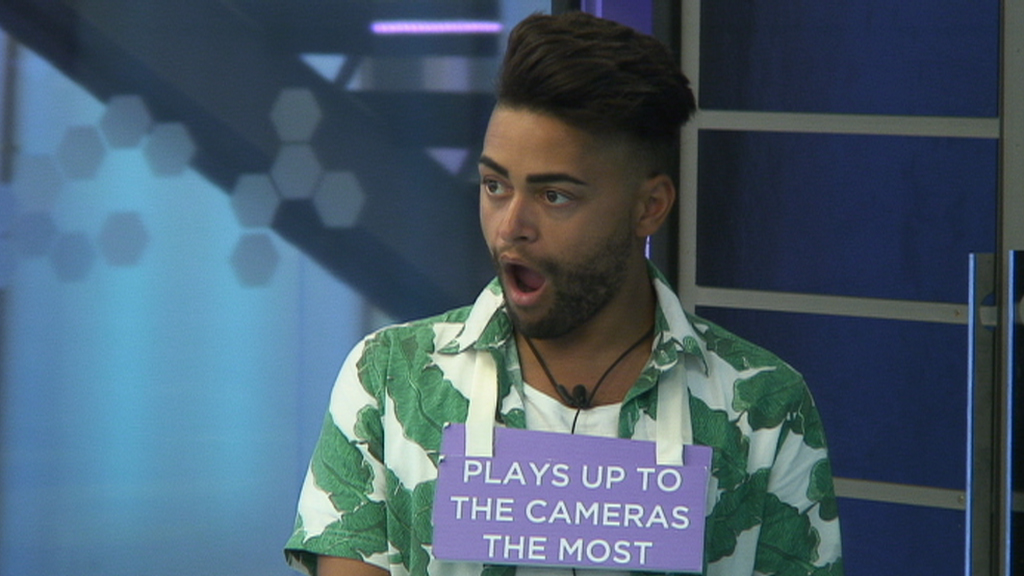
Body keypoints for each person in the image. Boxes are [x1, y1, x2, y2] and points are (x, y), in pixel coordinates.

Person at [285, 11, 843, 576]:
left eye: (554, 196)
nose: (511, 227)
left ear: (649, 207)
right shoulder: (387, 380)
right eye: (495, 185)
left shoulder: (763, 407)